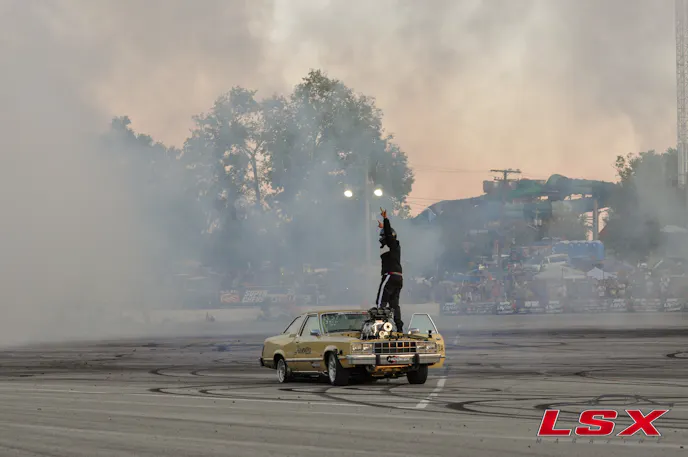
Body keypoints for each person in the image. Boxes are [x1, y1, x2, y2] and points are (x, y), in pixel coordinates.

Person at [375, 207, 404, 332]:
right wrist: (383, 227)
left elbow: (388, 234)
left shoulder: (392, 243)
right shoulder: (394, 247)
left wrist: (385, 219)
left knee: (380, 301)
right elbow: (388, 233)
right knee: (394, 305)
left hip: (390, 275)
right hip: (398, 277)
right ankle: (399, 327)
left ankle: (378, 325)